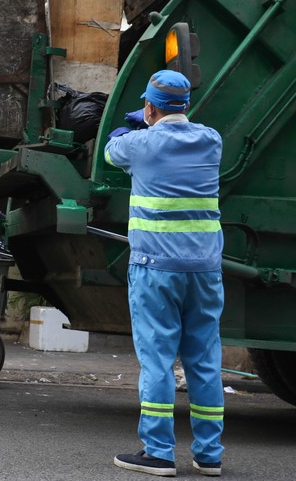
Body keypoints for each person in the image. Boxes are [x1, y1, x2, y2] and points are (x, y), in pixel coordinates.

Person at [105, 70, 224, 477]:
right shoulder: (212, 141)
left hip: (155, 269)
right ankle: (209, 456)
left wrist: (132, 125)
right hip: (205, 271)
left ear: (150, 107)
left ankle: (158, 452)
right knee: (205, 362)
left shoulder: (141, 144)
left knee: (157, 360)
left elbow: (109, 151)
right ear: (186, 105)